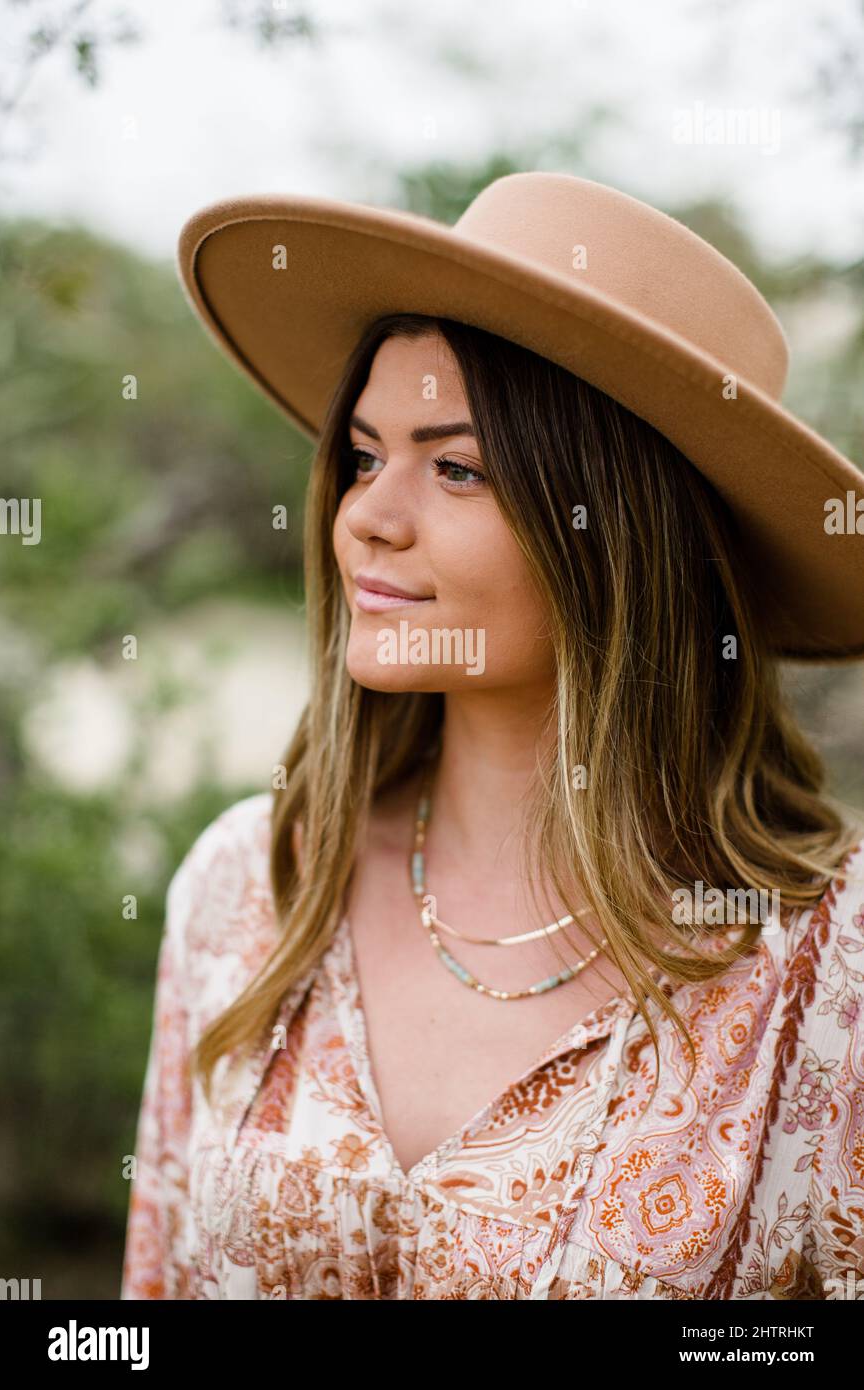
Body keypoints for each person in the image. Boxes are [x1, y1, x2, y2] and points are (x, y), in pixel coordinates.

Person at [121, 172, 864, 1300]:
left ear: (619, 536)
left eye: (455, 466)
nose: (367, 513)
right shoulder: (248, 888)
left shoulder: (821, 968)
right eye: (366, 455)